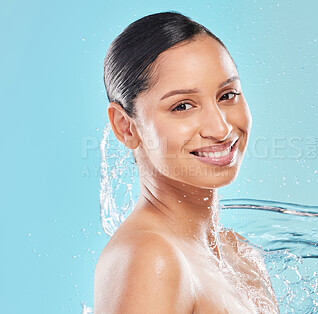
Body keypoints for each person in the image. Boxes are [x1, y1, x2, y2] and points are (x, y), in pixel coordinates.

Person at [94, 11, 279, 314]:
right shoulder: (150, 257)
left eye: (227, 94)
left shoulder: (241, 254)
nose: (220, 128)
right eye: (182, 106)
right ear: (127, 127)